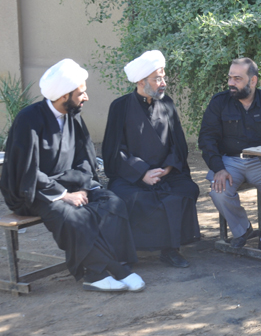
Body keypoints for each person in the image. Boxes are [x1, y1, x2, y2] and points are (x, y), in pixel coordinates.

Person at [0, 59, 144, 292]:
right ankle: (103, 273)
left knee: (112, 203)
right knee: (73, 216)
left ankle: (116, 265)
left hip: (71, 184)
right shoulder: (28, 119)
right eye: (81, 93)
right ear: (64, 95)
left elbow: (85, 158)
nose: (86, 97)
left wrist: (84, 187)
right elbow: (26, 170)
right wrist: (64, 195)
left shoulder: (72, 115)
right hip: (31, 190)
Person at [102, 50, 200, 268]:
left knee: (185, 191)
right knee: (128, 197)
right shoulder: (120, 107)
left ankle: (170, 250)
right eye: (157, 79)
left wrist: (167, 168)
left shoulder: (167, 104)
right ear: (141, 81)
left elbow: (178, 144)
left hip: (166, 173)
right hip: (131, 176)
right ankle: (127, 253)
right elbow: (114, 150)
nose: (163, 83)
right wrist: (142, 173)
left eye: (163, 78)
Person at [198, 57, 261, 253]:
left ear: (253, 80)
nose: (231, 83)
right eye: (230, 77)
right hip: (229, 162)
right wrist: (218, 168)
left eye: (237, 78)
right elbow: (207, 139)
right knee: (218, 190)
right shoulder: (219, 102)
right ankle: (243, 229)